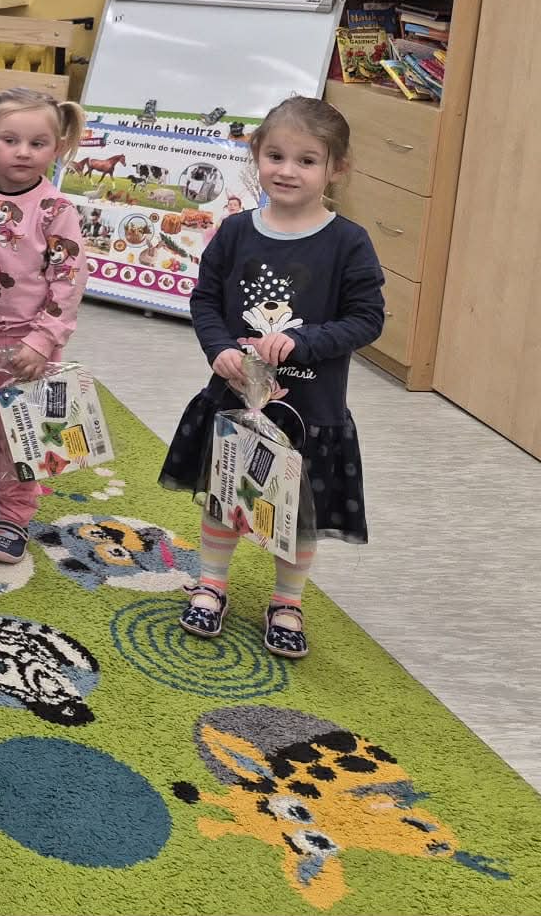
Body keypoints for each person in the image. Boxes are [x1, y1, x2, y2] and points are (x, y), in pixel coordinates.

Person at [159, 96, 384, 661]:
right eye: (276, 156)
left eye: (307, 160)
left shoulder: (348, 241)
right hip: (235, 401)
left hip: (311, 411)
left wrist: (304, 341)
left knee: (299, 512)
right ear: (255, 154)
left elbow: (367, 319)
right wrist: (217, 349)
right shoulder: (236, 231)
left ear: (337, 168)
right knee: (224, 496)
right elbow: (205, 299)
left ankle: (287, 602)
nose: (287, 170)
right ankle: (211, 584)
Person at [0, 87, 89, 564]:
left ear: (58, 148)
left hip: (26, 341)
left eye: (38, 143)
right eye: (10, 140)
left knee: (22, 432)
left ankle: (15, 514)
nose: (24, 152)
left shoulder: (56, 210)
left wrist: (44, 339)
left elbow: (68, 281)